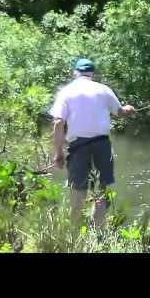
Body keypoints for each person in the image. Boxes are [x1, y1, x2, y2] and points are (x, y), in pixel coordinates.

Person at [50, 57, 136, 228]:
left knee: (78, 192)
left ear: (75, 73)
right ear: (92, 74)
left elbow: (58, 122)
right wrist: (129, 109)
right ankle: (99, 234)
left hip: (78, 148)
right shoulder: (104, 89)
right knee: (102, 192)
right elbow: (119, 112)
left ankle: (75, 236)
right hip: (102, 145)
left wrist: (58, 152)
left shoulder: (66, 92)